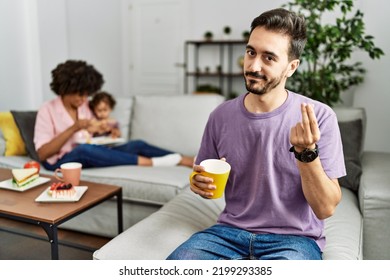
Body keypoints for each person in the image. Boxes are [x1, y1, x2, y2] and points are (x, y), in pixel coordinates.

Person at [167, 8, 346, 260]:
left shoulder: (319, 117)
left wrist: (306, 153)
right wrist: (199, 184)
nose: (253, 65)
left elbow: (326, 207)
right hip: (228, 233)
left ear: (291, 67)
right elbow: (202, 174)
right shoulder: (221, 115)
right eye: (251, 52)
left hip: (294, 239)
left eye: (269, 58)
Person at [34, 60, 194, 171]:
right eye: (79, 94)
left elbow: (94, 131)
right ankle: (151, 163)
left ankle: (184, 159)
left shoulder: (83, 106)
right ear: (63, 89)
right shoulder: (47, 110)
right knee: (84, 150)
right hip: (60, 162)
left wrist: (109, 131)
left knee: (135, 144)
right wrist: (73, 128)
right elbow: (43, 153)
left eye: (87, 94)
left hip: (93, 150)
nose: (84, 99)